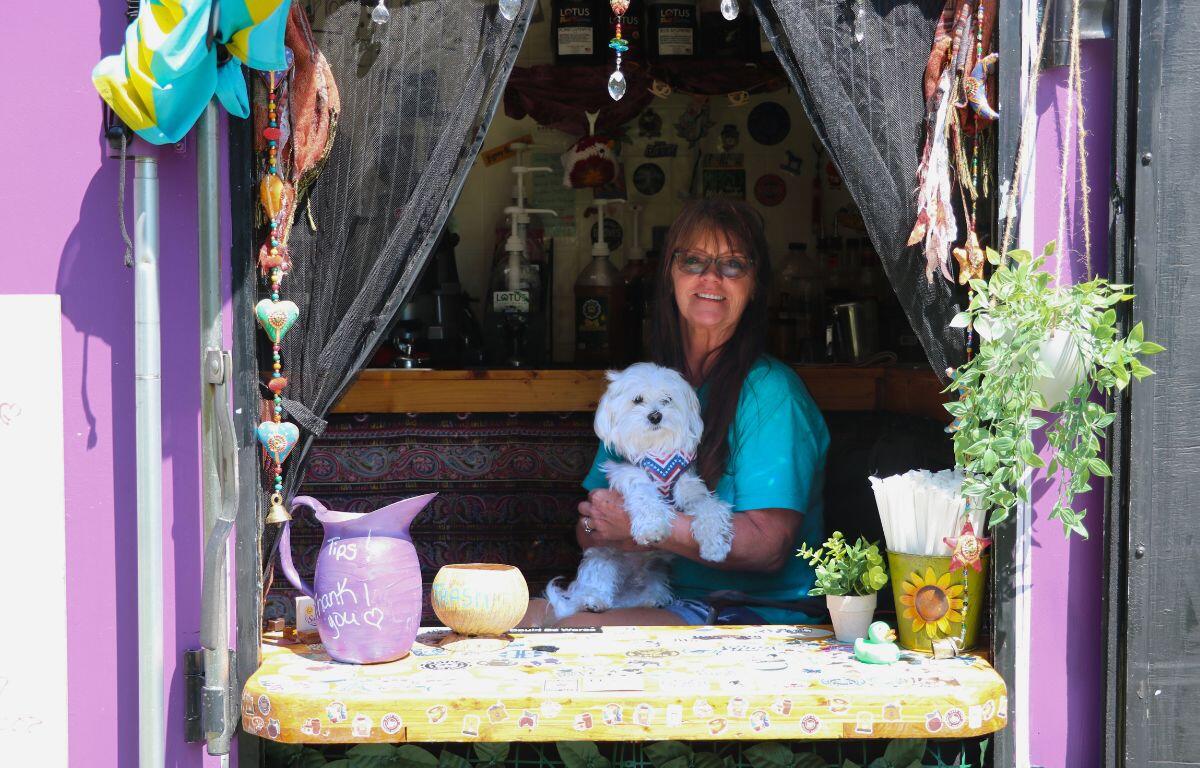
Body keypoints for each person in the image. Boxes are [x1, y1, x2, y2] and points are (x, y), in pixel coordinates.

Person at [523, 198, 830, 627]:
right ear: (670, 274)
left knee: (572, 636)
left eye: (733, 265)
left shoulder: (770, 393)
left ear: (755, 283)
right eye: (693, 261)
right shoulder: (651, 388)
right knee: (510, 619)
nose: (710, 277)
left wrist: (649, 527)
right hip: (652, 591)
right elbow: (592, 523)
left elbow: (768, 547)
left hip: (746, 611)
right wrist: (604, 527)